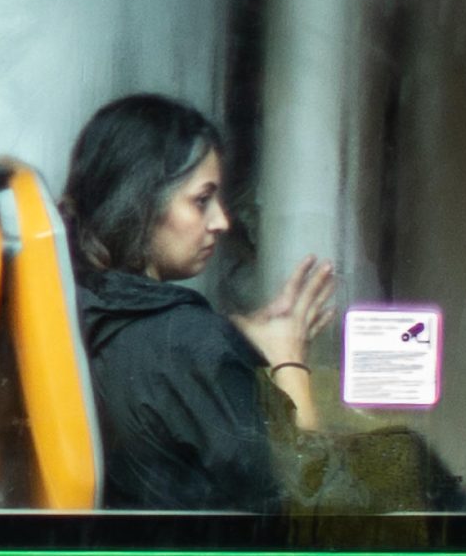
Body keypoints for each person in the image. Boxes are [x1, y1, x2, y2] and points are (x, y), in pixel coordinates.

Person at [62, 94, 335, 513]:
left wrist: (234, 343)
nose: (221, 221)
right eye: (201, 200)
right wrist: (288, 361)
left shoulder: (85, 310)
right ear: (141, 202)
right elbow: (316, 509)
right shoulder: (185, 343)